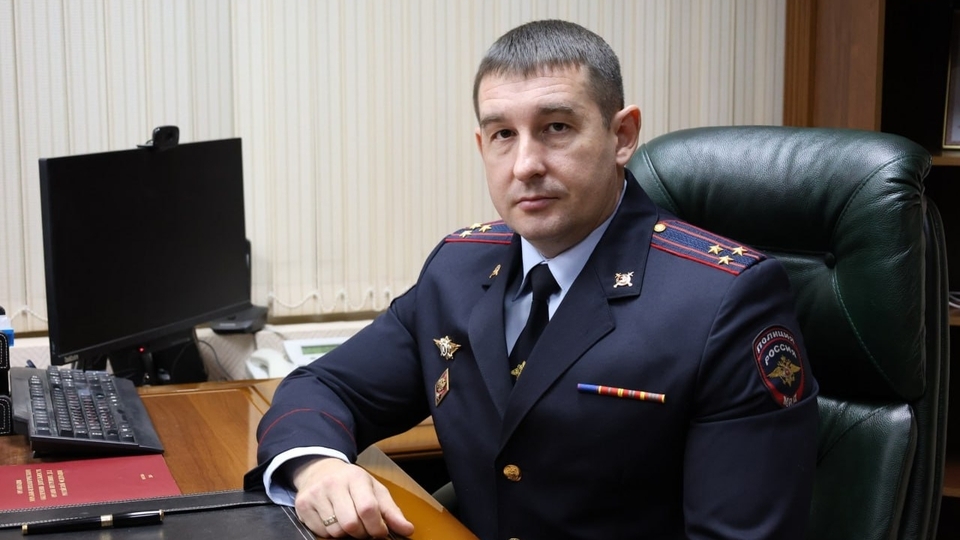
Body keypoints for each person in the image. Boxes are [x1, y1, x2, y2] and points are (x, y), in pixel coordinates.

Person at [245, 19, 819, 539]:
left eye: (556, 127)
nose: (525, 165)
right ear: (482, 146)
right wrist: (317, 467)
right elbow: (323, 387)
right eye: (502, 135)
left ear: (622, 135)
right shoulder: (458, 268)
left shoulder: (724, 299)